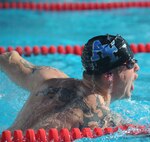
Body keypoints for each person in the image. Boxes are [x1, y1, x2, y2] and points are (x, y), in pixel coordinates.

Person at [0, 34, 139, 131]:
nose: (136, 67)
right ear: (108, 75)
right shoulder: (98, 115)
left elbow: (8, 58)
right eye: (130, 64)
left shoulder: (49, 79)